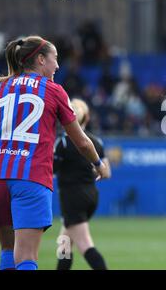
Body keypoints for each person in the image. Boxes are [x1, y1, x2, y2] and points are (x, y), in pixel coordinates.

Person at [0, 35, 109, 270]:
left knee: (7, 251)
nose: (58, 65)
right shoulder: (54, 91)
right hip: (31, 177)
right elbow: (83, 142)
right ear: (41, 59)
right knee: (25, 256)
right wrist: (98, 164)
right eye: (55, 59)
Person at [54, 98, 111, 270]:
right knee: (64, 244)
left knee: (85, 245)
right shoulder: (97, 142)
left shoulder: (63, 142)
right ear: (87, 118)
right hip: (91, 196)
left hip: (72, 198)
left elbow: (51, 170)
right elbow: (106, 173)